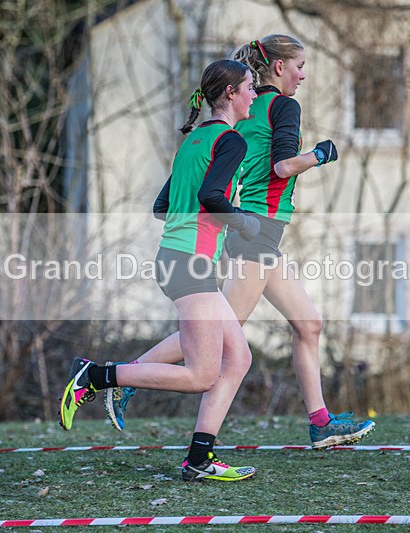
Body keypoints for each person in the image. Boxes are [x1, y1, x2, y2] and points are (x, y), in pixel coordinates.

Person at [106, 35, 375, 450]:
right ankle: (130, 381)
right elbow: (283, 166)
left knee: (308, 324)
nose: (303, 74)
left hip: (254, 230)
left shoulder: (245, 108)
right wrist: (323, 153)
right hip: (257, 230)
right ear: (280, 68)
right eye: (299, 65)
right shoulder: (283, 105)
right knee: (220, 339)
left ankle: (320, 422)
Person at [59, 58, 260, 482]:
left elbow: (162, 206)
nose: (254, 95)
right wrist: (243, 221)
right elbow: (211, 196)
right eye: (250, 87)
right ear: (230, 94)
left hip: (178, 258)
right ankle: (96, 375)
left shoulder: (192, 141)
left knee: (238, 358)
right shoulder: (231, 141)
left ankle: (199, 458)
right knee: (202, 374)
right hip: (191, 263)